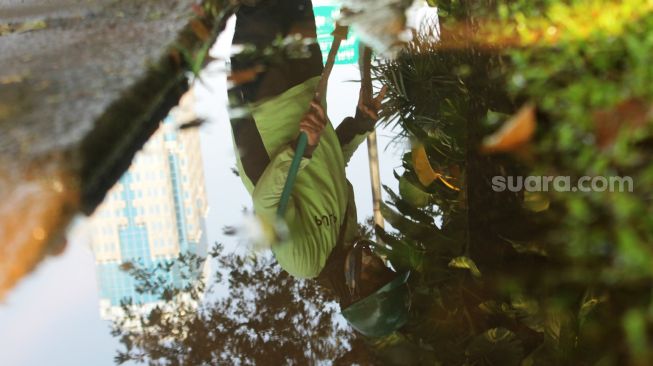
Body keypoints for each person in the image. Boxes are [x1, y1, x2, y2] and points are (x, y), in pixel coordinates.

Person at [228, 0, 396, 309]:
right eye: (383, 268)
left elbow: (267, 202)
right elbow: (331, 164)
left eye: (373, 275)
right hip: (308, 84)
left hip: (267, 105)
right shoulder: (349, 231)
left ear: (351, 293)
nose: (374, 261)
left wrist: (297, 150)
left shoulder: (304, 262)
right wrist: (361, 125)